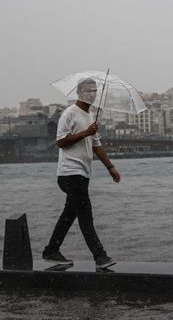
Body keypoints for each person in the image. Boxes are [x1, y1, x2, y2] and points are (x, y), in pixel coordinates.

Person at [42, 78, 120, 269]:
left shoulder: (91, 116)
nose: (92, 94)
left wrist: (110, 167)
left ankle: (52, 250)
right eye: (88, 90)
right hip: (69, 174)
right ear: (78, 92)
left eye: (94, 90)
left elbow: (97, 146)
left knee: (69, 214)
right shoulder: (69, 113)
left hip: (83, 174)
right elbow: (60, 142)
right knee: (86, 214)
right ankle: (100, 256)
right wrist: (86, 132)